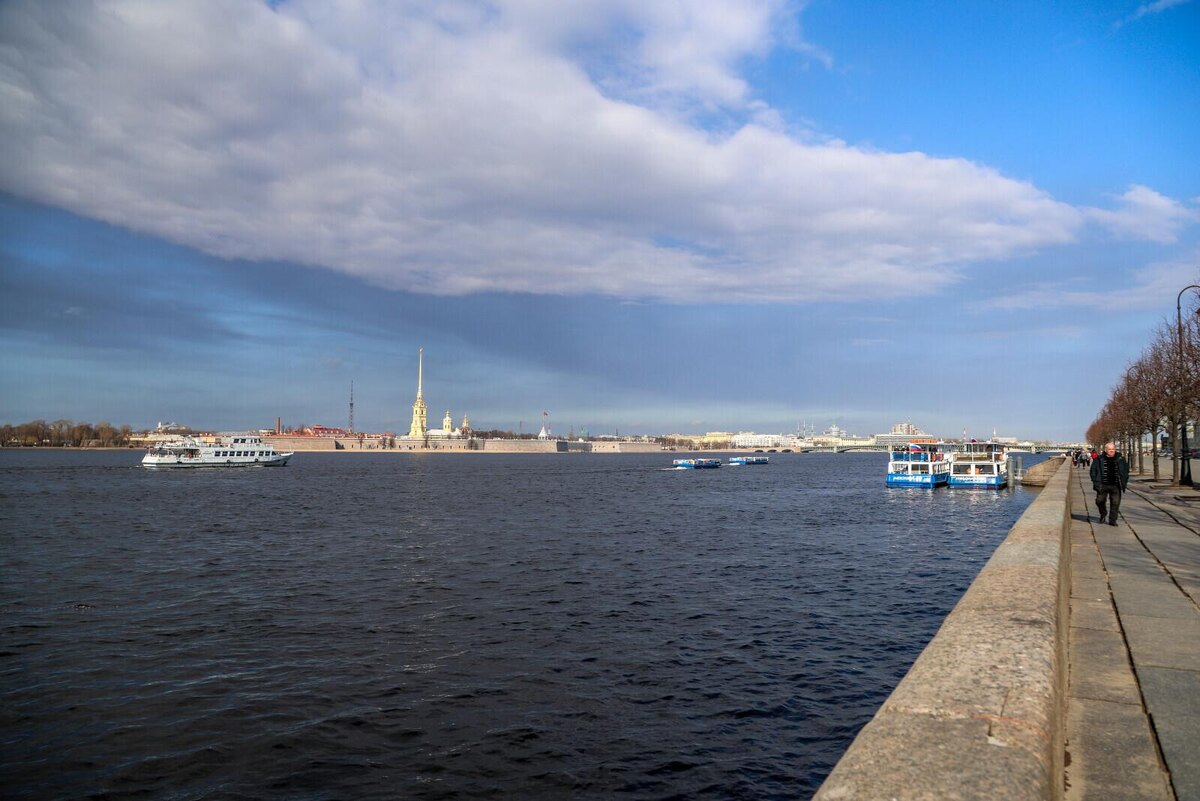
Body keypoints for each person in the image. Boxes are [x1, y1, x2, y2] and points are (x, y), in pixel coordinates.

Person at [1089, 441, 1129, 526]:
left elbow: (1126, 470)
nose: (1112, 451)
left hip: (1115, 485)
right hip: (1102, 484)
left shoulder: (1120, 459)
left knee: (1115, 502)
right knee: (1099, 501)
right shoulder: (1099, 459)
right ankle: (1103, 513)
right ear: (1106, 450)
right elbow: (1093, 470)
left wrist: (1125, 478)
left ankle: (1112, 520)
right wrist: (1095, 480)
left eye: (1113, 449)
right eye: (1110, 449)